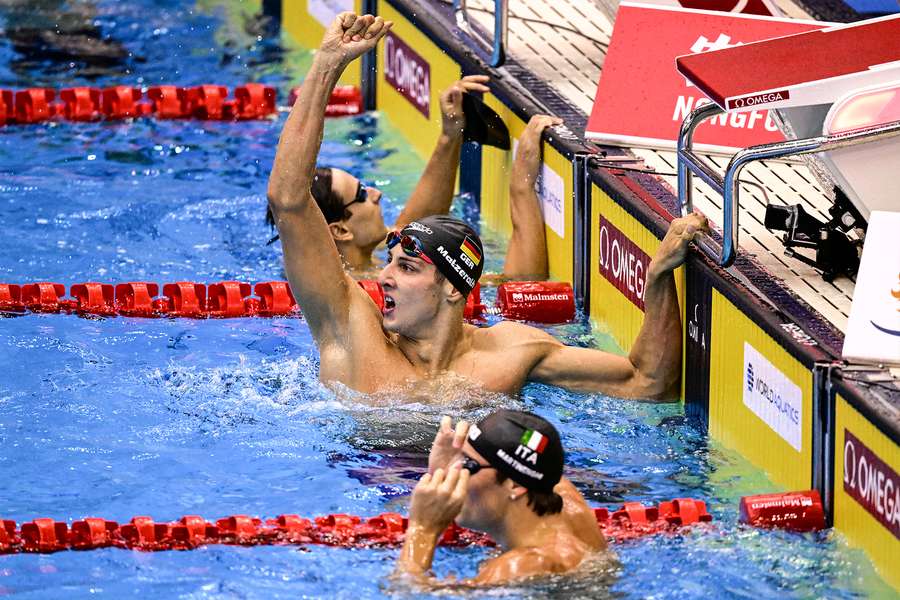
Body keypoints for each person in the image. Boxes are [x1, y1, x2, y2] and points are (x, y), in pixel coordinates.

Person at [267, 12, 709, 400]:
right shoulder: (352, 328)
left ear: (453, 288)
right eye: (393, 262)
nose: (383, 276)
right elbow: (288, 201)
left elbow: (648, 385)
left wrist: (657, 278)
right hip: (372, 482)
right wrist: (327, 67)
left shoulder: (511, 354)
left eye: (406, 267)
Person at [266, 73, 491, 272]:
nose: (377, 194)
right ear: (341, 230)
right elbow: (513, 280)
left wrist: (450, 134)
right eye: (362, 194)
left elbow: (414, 229)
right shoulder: (351, 293)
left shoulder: (366, 264)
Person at [394, 410, 606, 585]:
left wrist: (422, 530)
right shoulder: (560, 493)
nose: (456, 471)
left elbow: (403, 592)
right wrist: (442, 470)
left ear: (515, 484)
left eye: (468, 464)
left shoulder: (517, 569)